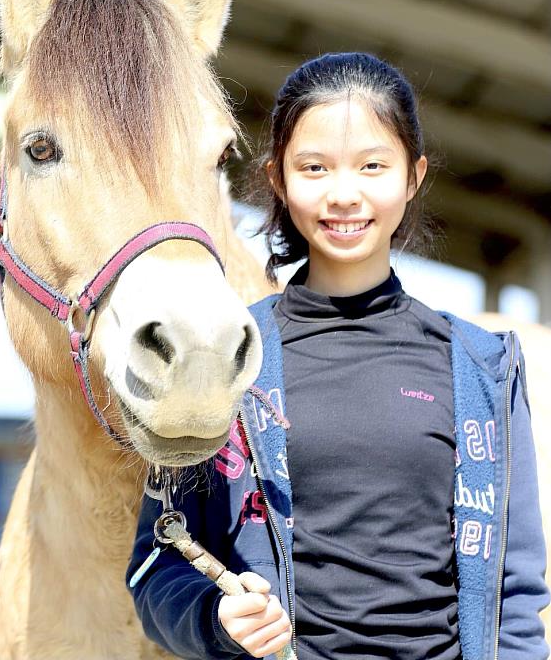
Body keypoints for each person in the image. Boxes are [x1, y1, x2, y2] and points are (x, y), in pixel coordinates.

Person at [126, 52, 549, 660]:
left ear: (413, 176)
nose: (344, 195)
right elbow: (155, 566)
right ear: (278, 179)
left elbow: (514, 590)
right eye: (315, 168)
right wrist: (215, 619)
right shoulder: (227, 359)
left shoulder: (482, 366)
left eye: (373, 166)